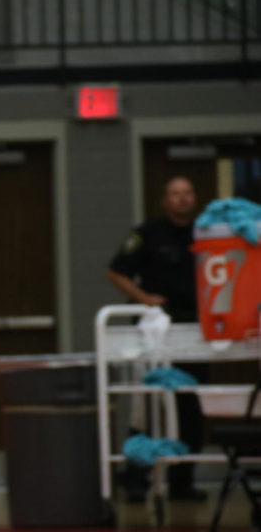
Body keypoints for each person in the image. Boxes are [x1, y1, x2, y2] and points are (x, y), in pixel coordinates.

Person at [107, 175, 208, 503]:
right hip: (157, 329)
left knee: (190, 406)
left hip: (195, 331)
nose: (181, 199)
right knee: (146, 403)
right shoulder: (147, 234)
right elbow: (116, 271)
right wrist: (143, 298)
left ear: (194, 199)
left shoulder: (207, 234)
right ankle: (136, 478)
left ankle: (183, 480)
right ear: (165, 201)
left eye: (187, 193)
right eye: (174, 194)